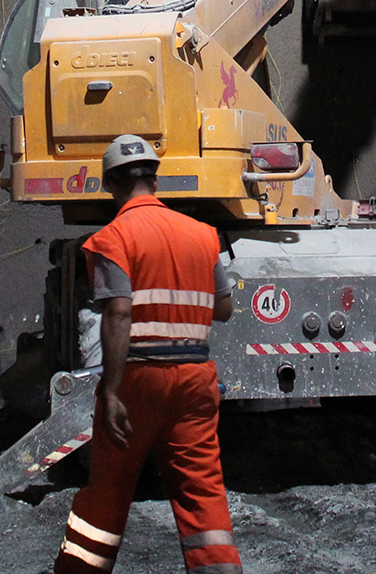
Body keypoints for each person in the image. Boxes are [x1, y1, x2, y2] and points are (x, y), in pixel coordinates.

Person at [54, 135, 241, 574]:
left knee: (109, 490)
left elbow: (119, 313)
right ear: (156, 181)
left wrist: (111, 390)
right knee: (202, 490)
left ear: (109, 185)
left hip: (139, 380)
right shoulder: (203, 236)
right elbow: (224, 308)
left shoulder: (111, 239)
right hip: (195, 379)